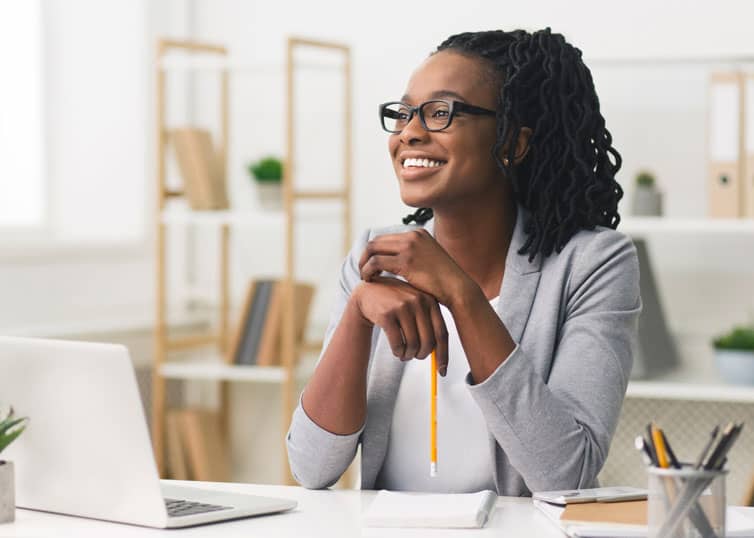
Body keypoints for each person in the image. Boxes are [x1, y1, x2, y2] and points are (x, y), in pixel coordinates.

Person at [286, 28, 641, 496]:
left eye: (440, 113)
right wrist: (356, 313)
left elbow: (566, 477)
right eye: (404, 113)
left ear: (514, 141)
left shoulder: (593, 263)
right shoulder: (376, 256)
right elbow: (311, 468)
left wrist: (460, 294)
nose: (410, 132)